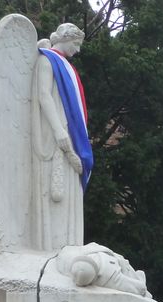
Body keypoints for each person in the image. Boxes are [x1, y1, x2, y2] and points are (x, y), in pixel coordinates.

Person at [32, 23, 93, 251]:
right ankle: (51, 246)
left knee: (70, 190)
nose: (78, 49)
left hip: (70, 134)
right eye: (76, 44)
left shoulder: (67, 66)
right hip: (54, 133)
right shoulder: (46, 59)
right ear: (65, 39)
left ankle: (70, 245)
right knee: (53, 190)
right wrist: (58, 130)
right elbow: (43, 95)